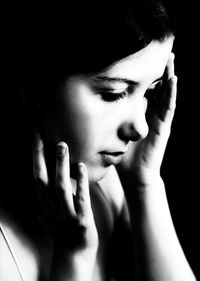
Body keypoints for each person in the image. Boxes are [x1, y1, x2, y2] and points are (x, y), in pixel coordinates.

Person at [0, 0, 197, 280]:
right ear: (37, 83)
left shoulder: (107, 190)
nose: (140, 128)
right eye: (114, 94)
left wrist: (144, 184)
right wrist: (74, 257)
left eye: (150, 92)